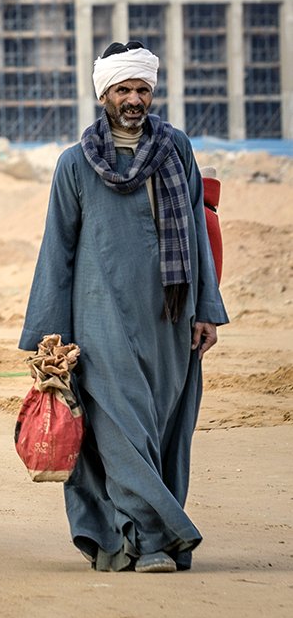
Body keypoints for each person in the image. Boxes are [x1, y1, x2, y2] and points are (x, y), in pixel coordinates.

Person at [20, 40, 228, 573]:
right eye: (123, 89)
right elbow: (57, 251)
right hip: (100, 322)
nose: (133, 99)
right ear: (104, 94)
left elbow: (199, 236)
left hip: (170, 319)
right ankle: (158, 540)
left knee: (162, 430)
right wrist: (49, 335)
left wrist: (206, 308)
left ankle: (133, 538)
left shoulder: (177, 150)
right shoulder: (75, 164)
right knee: (119, 431)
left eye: (141, 89)